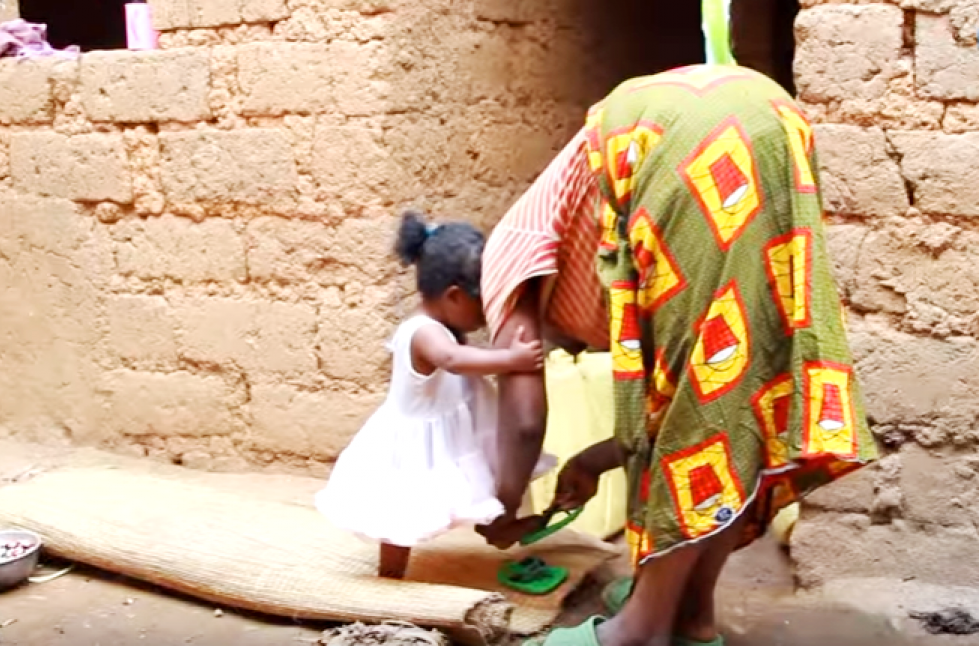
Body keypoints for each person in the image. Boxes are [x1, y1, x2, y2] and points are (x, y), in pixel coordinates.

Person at [476, 64, 879, 646]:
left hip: (692, 134)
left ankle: (637, 633)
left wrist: (501, 507)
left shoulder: (506, 259)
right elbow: (666, 410)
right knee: (737, 393)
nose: (566, 350)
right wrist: (591, 463)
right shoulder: (596, 248)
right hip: (768, 122)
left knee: (710, 403)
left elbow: (522, 420)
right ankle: (690, 615)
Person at [316, 210, 555, 580]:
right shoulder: (422, 332)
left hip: (451, 426)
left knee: (484, 474)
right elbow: (453, 360)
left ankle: (497, 525)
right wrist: (511, 358)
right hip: (412, 440)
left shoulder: (444, 323)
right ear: (455, 297)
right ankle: (390, 572)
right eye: (483, 304)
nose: (486, 315)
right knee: (401, 510)